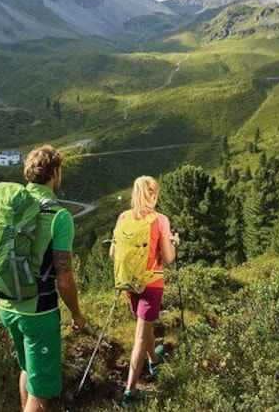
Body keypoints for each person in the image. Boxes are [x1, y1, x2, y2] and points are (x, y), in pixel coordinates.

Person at [0, 144, 87, 412]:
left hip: (5, 305)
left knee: (26, 369)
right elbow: (64, 277)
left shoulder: (10, 208)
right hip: (38, 311)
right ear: (55, 173)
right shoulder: (59, 216)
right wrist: (77, 314)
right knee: (41, 393)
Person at [110, 175, 179, 408]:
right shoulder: (160, 220)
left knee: (144, 325)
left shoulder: (123, 217)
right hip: (152, 284)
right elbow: (168, 258)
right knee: (140, 336)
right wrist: (174, 243)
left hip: (130, 283)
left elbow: (112, 253)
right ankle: (130, 392)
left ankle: (153, 360)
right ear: (154, 194)